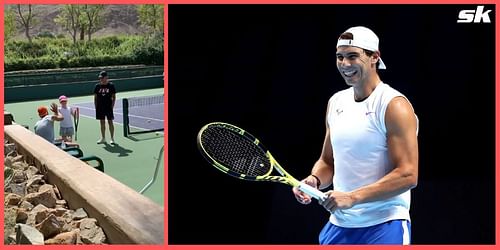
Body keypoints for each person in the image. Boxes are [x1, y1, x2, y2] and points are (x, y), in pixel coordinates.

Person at [292, 26, 419, 245]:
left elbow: (408, 175)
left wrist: (352, 197)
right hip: (339, 225)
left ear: (374, 57)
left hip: (384, 225)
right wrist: (314, 180)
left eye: (353, 56)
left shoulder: (393, 105)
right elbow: (328, 161)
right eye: (339, 57)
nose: (344, 64)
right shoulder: (336, 102)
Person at [94, 70, 116, 145]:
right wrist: (96, 107)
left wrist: (112, 106)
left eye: (102, 78)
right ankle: (103, 138)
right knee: (102, 123)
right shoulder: (97, 86)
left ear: (106, 77)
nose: (101, 79)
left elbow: (114, 97)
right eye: (100, 78)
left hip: (108, 107)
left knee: (110, 122)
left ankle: (112, 138)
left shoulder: (111, 86)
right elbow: (95, 97)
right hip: (100, 108)